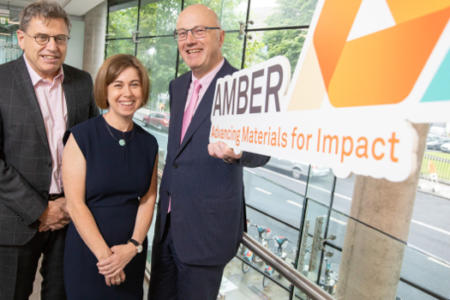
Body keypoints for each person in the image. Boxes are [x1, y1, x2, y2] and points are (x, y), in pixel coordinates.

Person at [148, 4, 269, 300]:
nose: (189, 40)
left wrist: (237, 152)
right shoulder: (177, 86)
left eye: (199, 31)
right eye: (182, 34)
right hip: (167, 225)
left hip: (207, 232)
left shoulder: (242, 88)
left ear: (221, 37)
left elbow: (263, 152)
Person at [0, 1, 99, 299]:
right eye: (42, 37)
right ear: (21, 38)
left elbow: (91, 148)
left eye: (60, 38)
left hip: (70, 218)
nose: (52, 47)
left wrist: (71, 202)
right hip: (16, 222)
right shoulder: (1, 82)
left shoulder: (82, 82)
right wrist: (40, 210)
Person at [62, 54, 158, 300]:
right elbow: (74, 204)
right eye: (118, 84)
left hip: (131, 254)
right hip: (90, 255)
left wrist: (132, 247)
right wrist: (107, 258)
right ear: (105, 90)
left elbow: (148, 198)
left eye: (134, 84)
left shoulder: (149, 143)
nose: (127, 93)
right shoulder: (81, 137)